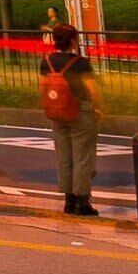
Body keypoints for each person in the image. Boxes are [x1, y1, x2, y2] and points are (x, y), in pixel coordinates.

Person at [41, 23, 104, 216]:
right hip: (80, 112)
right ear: (73, 40)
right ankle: (82, 202)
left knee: (64, 157)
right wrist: (99, 107)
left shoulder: (47, 61)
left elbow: (43, 87)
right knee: (82, 157)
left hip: (57, 113)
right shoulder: (80, 62)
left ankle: (69, 201)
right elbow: (93, 90)